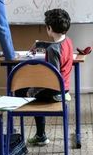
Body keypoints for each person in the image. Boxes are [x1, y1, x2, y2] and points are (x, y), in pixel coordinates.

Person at [26, 8, 74, 146]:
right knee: (33, 90)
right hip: (64, 88)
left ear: (49, 28)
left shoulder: (53, 50)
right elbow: (56, 45)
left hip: (55, 91)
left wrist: (33, 89)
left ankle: (40, 135)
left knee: (27, 93)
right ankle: (40, 134)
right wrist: (40, 44)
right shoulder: (68, 41)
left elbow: (53, 78)